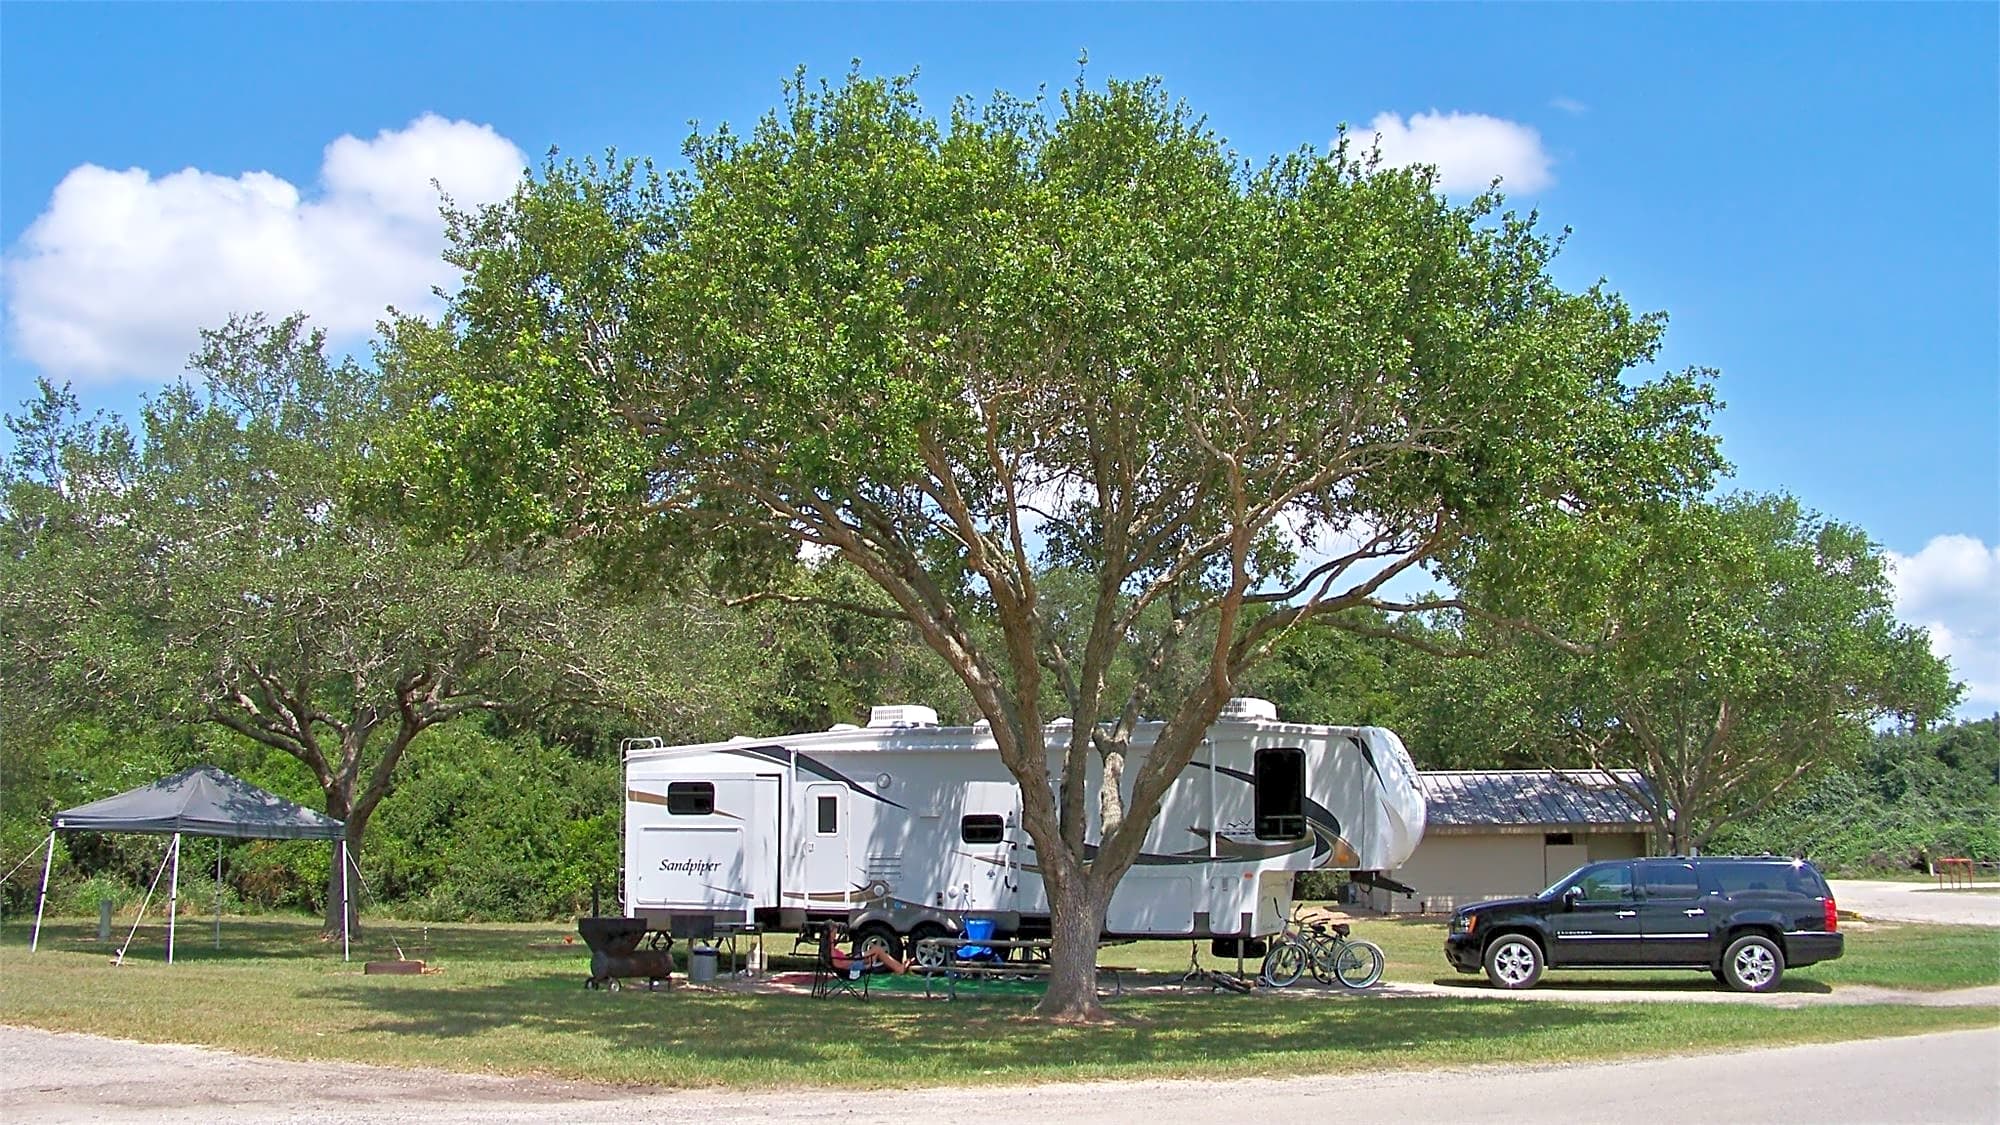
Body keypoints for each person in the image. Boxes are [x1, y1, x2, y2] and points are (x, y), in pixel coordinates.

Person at [828, 935, 913, 976]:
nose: (835, 937)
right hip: (853, 965)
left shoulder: (833, 949)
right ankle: (899, 968)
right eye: (834, 934)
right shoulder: (832, 950)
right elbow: (837, 964)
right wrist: (851, 961)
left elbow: (841, 960)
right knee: (877, 949)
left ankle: (899, 967)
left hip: (854, 961)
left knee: (878, 950)